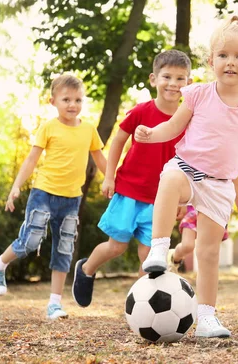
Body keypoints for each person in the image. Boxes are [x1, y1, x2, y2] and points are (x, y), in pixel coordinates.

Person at [134, 13, 238, 338]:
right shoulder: (198, 94)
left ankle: (207, 318)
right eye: (223, 56)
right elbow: (173, 127)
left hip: (219, 185)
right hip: (186, 169)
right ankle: (159, 248)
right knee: (168, 179)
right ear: (211, 59)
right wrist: (150, 134)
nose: (230, 62)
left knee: (208, 252)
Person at [71, 50, 192, 308]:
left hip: (162, 199)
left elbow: (188, 161)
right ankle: (86, 269)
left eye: (181, 79)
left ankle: (140, 308)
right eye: (167, 77)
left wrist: (183, 199)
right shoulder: (141, 111)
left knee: (150, 256)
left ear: (189, 84)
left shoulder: (188, 119)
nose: (173, 84)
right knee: (116, 247)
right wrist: (109, 177)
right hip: (129, 189)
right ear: (153, 79)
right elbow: (117, 142)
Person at [0, 74, 107, 320]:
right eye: (66, 99)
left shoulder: (88, 129)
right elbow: (32, 159)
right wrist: (16, 186)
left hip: (71, 198)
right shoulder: (48, 127)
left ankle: (54, 303)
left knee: (64, 249)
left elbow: (100, 159)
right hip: (44, 193)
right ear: (53, 101)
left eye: (77, 100)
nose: (72, 105)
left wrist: (114, 179)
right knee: (31, 240)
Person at [169, 179, 238, 271]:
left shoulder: (229, 168)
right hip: (193, 211)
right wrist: (181, 203)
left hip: (214, 213)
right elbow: (184, 178)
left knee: (208, 252)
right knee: (188, 246)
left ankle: (206, 277)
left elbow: (236, 186)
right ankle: (174, 257)